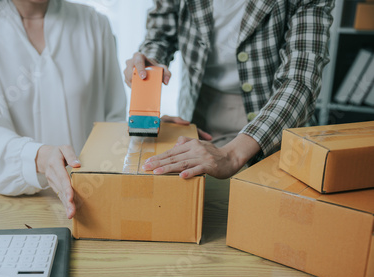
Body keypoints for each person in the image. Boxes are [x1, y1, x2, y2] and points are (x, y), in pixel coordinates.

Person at [0, 0, 126, 218]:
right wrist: (40, 158)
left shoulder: (95, 23)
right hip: (8, 207)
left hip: (90, 202)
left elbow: (114, 118)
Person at [124, 0, 333, 180]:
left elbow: (301, 78)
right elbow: (160, 36)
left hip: (274, 117)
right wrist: (148, 65)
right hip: (199, 109)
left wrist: (232, 155)